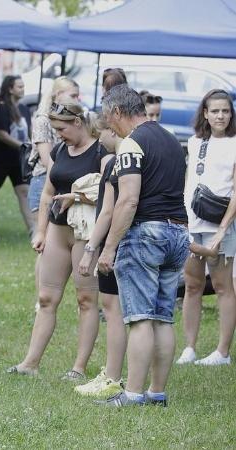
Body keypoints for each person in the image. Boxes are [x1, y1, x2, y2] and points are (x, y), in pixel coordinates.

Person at [95, 84, 189, 407]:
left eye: (110, 120)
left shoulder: (132, 144)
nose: (110, 127)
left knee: (139, 318)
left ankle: (133, 395)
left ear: (118, 112)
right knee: (163, 317)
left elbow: (128, 199)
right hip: (178, 233)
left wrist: (109, 248)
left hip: (146, 233)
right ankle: (156, 393)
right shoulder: (173, 142)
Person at [9, 98, 108, 380]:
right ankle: (30, 363)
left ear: (78, 122)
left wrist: (77, 197)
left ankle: (78, 368)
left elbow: (109, 196)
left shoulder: (101, 152)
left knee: (86, 300)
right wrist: (41, 230)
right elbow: (47, 192)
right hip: (57, 229)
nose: (59, 135)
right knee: (45, 297)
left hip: (85, 233)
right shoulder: (61, 150)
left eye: (62, 129)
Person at [176, 89, 236, 366]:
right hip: (193, 222)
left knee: (223, 286)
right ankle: (189, 347)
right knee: (192, 285)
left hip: (220, 224)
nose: (220, 116)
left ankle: (222, 352)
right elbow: (189, 183)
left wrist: (224, 228)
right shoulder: (195, 141)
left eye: (225, 110)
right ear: (205, 113)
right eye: (215, 111)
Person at [74, 117, 126, 397]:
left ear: (111, 130)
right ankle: (111, 372)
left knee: (113, 309)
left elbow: (108, 211)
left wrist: (92, 249)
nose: (99, 140)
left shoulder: (115, 162)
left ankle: (112, 375)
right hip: (115, 241)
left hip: (113, 242)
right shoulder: (117, 160)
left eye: (101, 133)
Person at [0, 75, 33, 232]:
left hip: (18, 159)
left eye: (23, 86)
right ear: (10, 89)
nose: (22, 89)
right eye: (19, 87)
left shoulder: (24, 109)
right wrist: (23, 145)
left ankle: (33, 229)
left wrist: (31, 146)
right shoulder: (2, 107)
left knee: (24, 192)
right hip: (0, 158)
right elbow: (2, 134)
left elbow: (29, 132)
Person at [29, 77, 79, 223]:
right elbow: (47, 160)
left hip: (60, 182)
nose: (76, 100)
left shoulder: (72, 120)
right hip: (44, 182)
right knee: (42, 237)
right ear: (58, 95)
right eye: (73, 96)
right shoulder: (43, 121)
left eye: (77, 96)